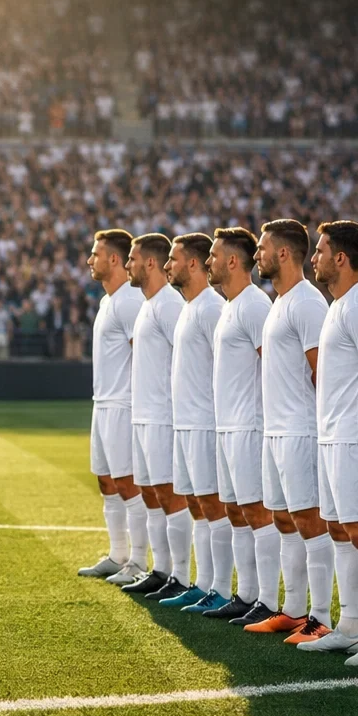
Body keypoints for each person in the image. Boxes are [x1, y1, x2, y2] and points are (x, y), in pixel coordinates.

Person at [299, 220, 358, 661]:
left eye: (319, 251)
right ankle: (351, 626)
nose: (313, 258)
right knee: (340, 531)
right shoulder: (337, 304)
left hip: (357, 438)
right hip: (333, 436)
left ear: (340, 258)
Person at [244, 219, 330, 640]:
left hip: (300, 429)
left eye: (261, 248)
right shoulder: (279, 301)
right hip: (275, 430)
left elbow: (324, 372)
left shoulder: (308, 303)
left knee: (309, 520)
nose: (256, 254)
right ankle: (294, 611)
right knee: (282, 518)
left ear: (282, 253)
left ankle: (321, 616)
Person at [202, 228, 275, 625]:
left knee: (257, 512)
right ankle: (245, 594)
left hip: (248, 425)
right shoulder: (231, 305)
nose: (209, 262)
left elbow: (273, 364)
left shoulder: (253, 305)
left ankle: (265, 598)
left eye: (214, 256)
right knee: (235, 510)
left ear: (233, 260)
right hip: (226, 425)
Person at [159, 232, 232, 613]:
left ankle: (221, 588)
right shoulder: (189, 306)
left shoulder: (211, 308)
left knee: (212, 506)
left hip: (205, 423)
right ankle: (204, 584)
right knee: (196, 505)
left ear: (192, 263)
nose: (167, 265)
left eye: (172, 258)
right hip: (184, 423)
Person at [117, 233, 189, 600]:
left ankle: (180, 574)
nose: (126, 265)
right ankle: (160, 570)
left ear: (149, 263)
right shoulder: (148, 303)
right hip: (144, 414)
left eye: (131, 259)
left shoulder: (169, 304)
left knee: (169, 494)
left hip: (163, 414)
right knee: (150, 493)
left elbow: (186, 357)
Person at [76, 229, 148, 584]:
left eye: (95, 254)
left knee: (127, 483)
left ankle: (138, 560)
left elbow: (143, 355)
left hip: (124, 404)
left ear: (114, 259)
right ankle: (118, 554)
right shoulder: (108, 301)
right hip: (102, 402)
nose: (90, 260)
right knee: (106, 482)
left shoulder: (131, 301)